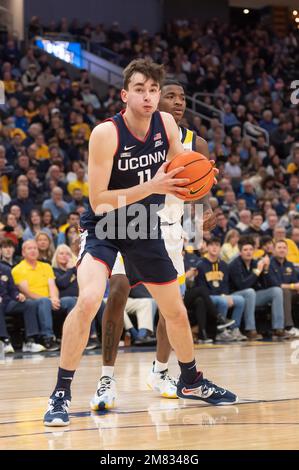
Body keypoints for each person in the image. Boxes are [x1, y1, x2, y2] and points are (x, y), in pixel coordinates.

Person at [43, 60, 237, 426]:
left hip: (146, 226)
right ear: (124, 94)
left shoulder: (166, 125)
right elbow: (99, 199)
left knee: (175, 311)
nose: (148, 97)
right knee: (88, 301)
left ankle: (191, 380)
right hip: (105, 226)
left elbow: (180, 167)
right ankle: (61, 394)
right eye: (140, 90)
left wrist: (201, 179)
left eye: (153, 91)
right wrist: (152, 186)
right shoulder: (105, 134)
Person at [89, 80, 229, 406]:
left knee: (172, 305)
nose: (178, 102)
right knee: (118, 290)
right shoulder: (131, 133)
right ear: (151, 98)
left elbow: (198, 194)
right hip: (132, 221)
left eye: (182, 97)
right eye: (170, 95)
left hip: (169, 227)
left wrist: (201, 218)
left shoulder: (198, 143)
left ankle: (161, 370)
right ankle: (106, 377)